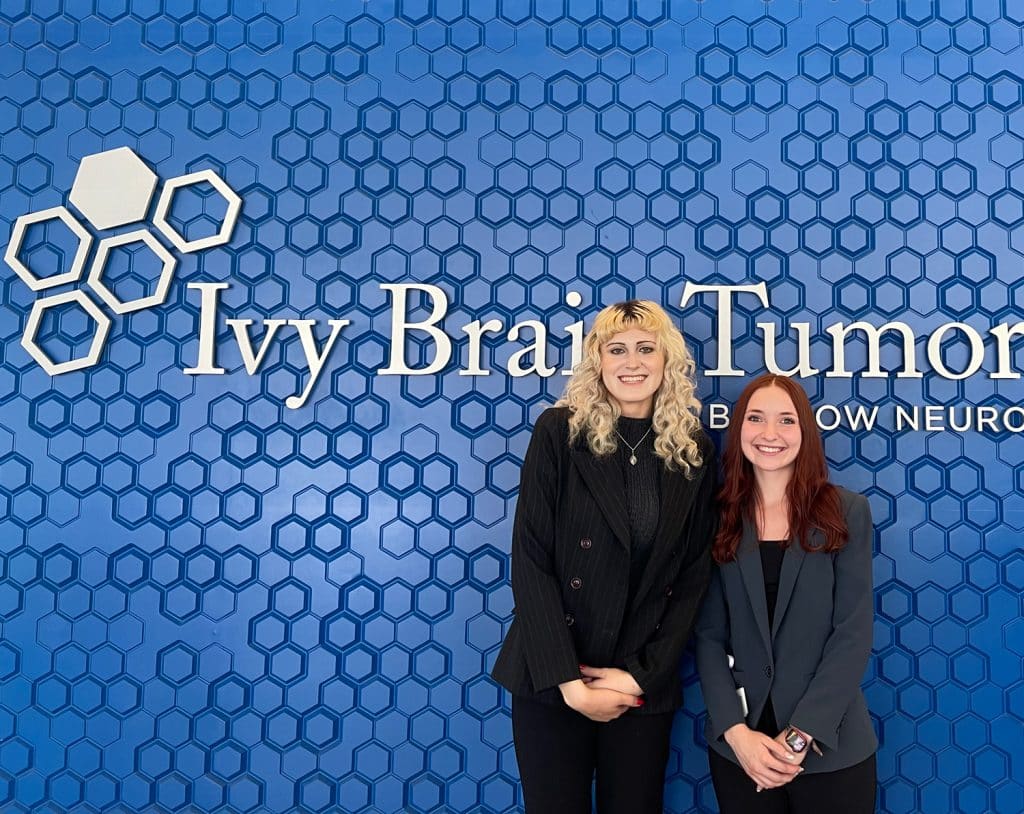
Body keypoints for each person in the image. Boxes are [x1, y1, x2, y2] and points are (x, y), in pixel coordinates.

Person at [491, 300, 717, 814]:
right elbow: (530, 556)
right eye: (617, 349)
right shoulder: (558, 431)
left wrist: (641, 676)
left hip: (639, 681)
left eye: (645, 348)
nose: (631, 361)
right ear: (597, 360)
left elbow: (692, 576)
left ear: (667, 362)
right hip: (552, 674)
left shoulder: (694, 449)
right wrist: (569, 682)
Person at [695, 374, 877, 814]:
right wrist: (736, 735)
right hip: (742, 753)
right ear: (739, 429)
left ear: (805, 432)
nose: (769, 434)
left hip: (832, 750)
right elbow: (708, 637)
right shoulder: (716, 516)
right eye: (755, 419)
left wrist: (798, 737)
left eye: (786, 420)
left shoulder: (847, 510)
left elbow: (852, 633)